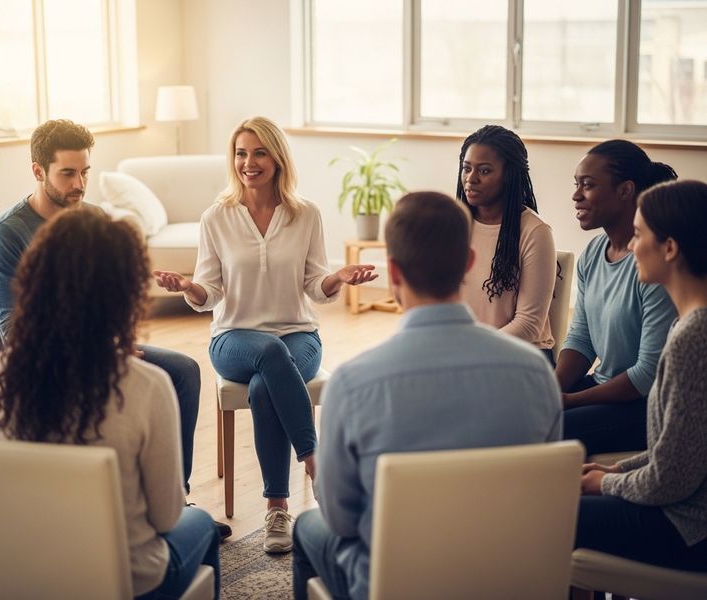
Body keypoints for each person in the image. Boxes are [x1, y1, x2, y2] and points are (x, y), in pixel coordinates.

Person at [291, 191, 562, 600]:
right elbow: (544, 496)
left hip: (397, 584)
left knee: (307, 527)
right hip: (506, 580)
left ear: (393, 273)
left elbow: (341, 517)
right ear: (468, 262)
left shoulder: (352, 383)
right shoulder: (536, 373)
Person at [0, 119, 220, 535]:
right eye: (67, 173)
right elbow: (12, 331)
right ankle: (152, 513)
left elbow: (105, 305)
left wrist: (111, 343)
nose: (79, 184)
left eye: (85, 172)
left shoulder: (93, 219)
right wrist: (99, 350)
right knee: (148, 384)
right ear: (38, 170)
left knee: (182, 370)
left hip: (100, 347)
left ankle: (174, 497)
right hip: (46, 361)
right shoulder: (8, 234)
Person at [153, 116, 376, 554]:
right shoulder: (216, 217)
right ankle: (315, 461)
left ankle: (276, 508)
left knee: (263, 384)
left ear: (277, 159)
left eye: (258, 153)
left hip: (299, 336)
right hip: (233, 338)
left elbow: (315, 286)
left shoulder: (305, 214)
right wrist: (188, 287)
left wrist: (338, 278)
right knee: (268, 354)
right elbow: (209, 291)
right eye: (241, 153)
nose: (248, 163)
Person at [0, 209, 220, 598]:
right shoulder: (146, 386)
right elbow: (166, 517)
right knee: (202, 524)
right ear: (123, 295)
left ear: (36, 282)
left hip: (27, 574)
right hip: (125, 578)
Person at [576, 179, 707, 573]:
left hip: (688, 527)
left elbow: (670, 480)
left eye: (638, 234)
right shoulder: (689, 325)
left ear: (670, 248)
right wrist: (616, 470)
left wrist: (604, 484)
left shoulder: (693, 337)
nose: (631, 246)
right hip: (684, 512)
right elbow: (680, 450)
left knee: (544, 513)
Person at [557, 140, 678, 456]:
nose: (576, 195)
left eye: (588, 185)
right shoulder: (594, 252)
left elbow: (647, 375)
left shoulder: (654, 263)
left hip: (645, 405)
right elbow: (581, 338)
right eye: (576, 184)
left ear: (625, 190)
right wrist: (551, 390)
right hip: (604, 386)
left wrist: (569, 401)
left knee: (544, 427)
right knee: (521, 412)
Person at [457, 125, 557, 361]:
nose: (471, 179)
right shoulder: (454, 224)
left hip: (520, 356)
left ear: (509, 175)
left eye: (484, 171)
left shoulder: (535, 232)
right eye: (467, 168)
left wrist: (472, 351)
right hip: (467, 352)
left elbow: (529, 324)